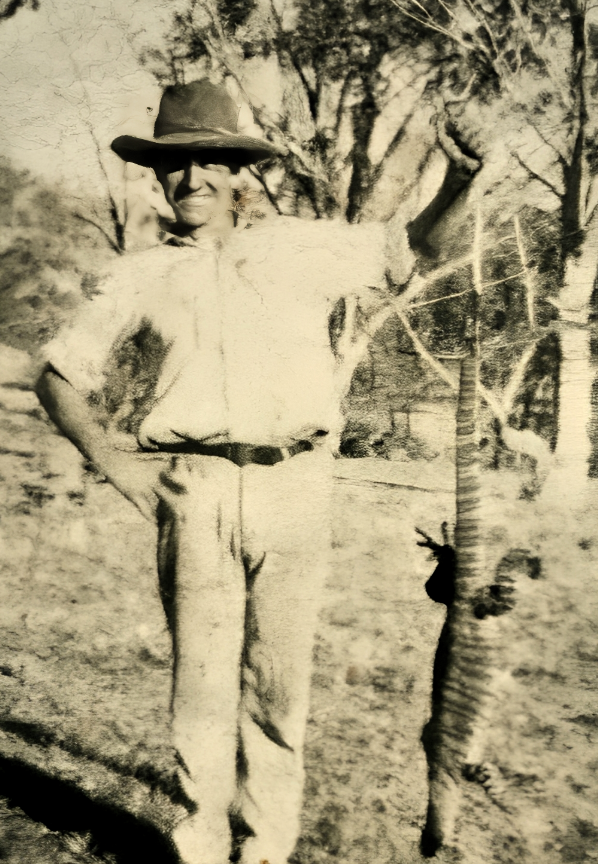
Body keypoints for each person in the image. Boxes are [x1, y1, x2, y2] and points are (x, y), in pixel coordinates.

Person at [35, 79, 391, 864]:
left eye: (209, 161)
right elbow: (58, 375)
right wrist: (118, 470)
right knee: (200, 687)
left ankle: (265, 851)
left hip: (295, 485)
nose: (191, 178)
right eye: (174, 164)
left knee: (278, 688)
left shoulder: (305, 248)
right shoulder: (140, 272)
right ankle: (198, 846)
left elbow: (414, 249)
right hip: (192, 492)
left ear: (238, 172)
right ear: (157, 176)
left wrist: (461, 182)